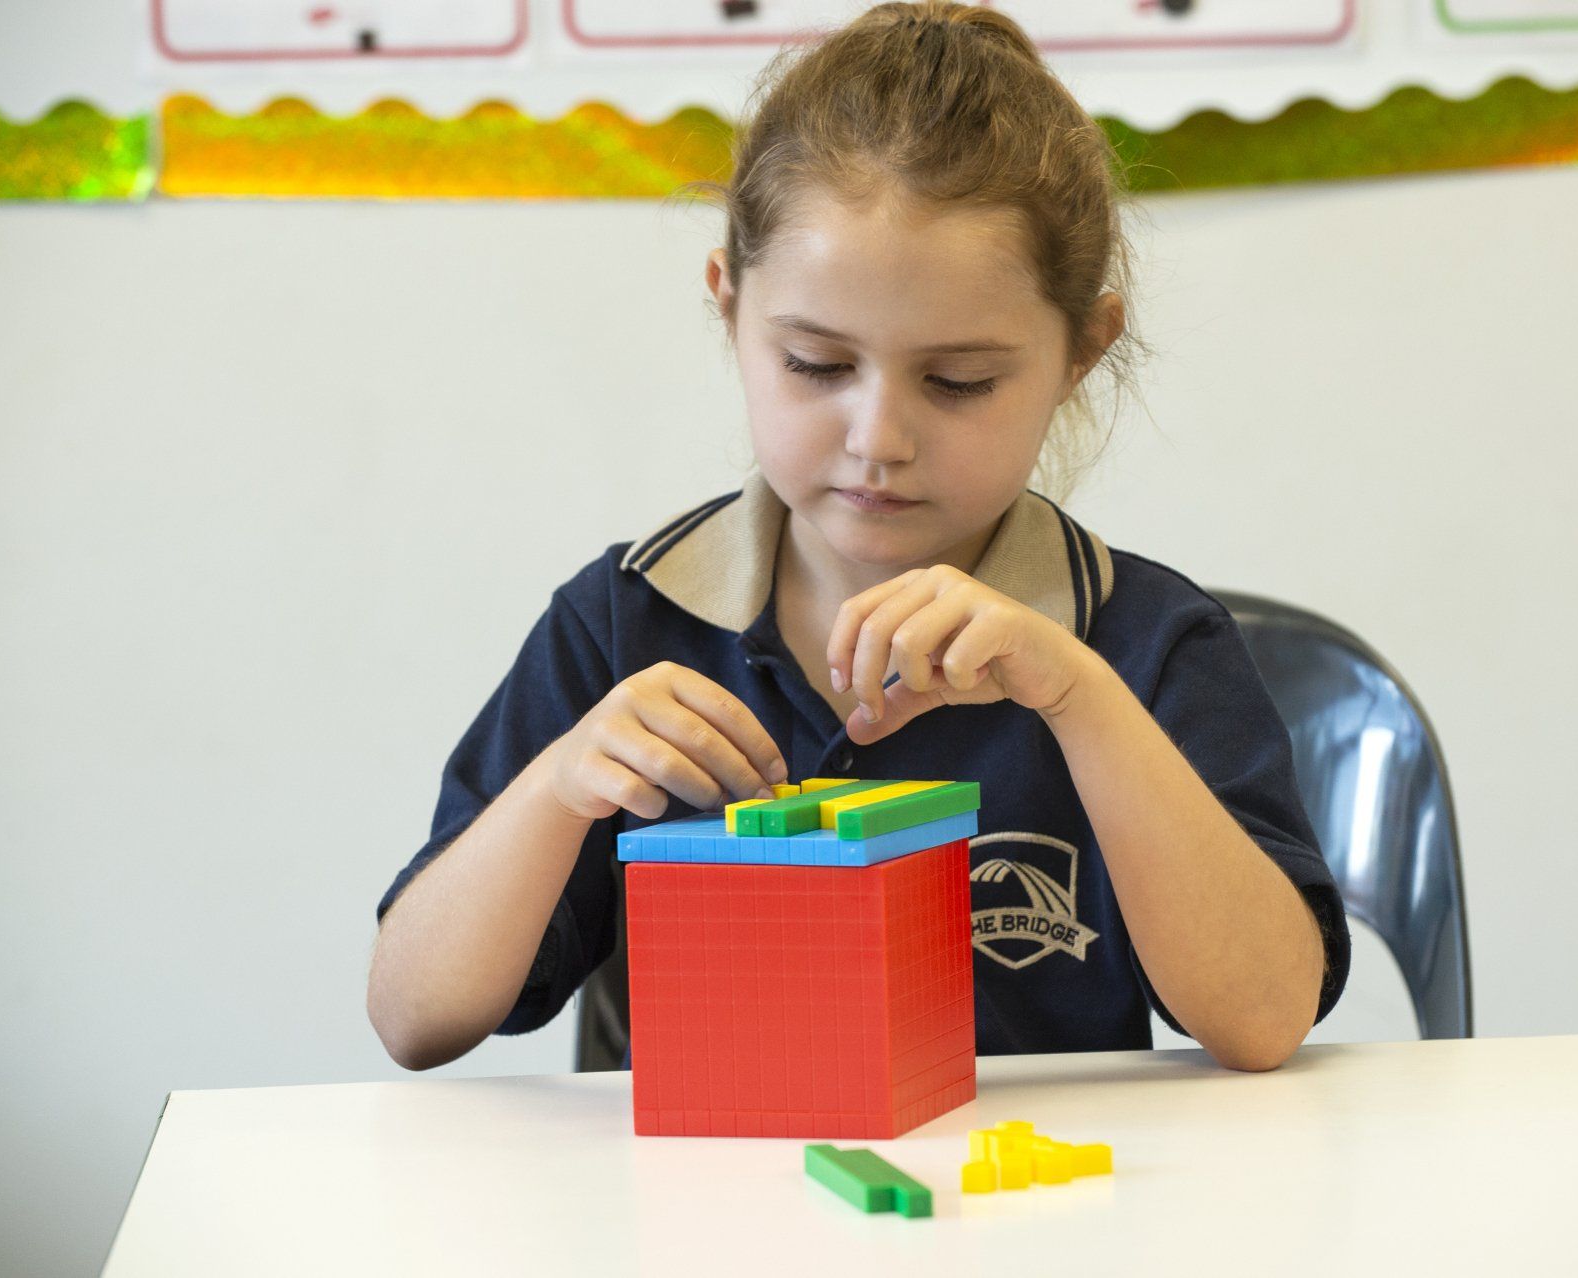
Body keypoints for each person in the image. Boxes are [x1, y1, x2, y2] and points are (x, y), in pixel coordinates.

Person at [367, 0, 1350, 1075]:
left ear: (1081, 351)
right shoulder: (624, 623)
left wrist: (1079, 700)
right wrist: (562, 786)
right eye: (816, 367)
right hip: (708, 1223)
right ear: (730, 307)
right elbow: (416, 1018)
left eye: (958, 380)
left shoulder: (1145, 643)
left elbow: (1263, 1020)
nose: (878, 440)